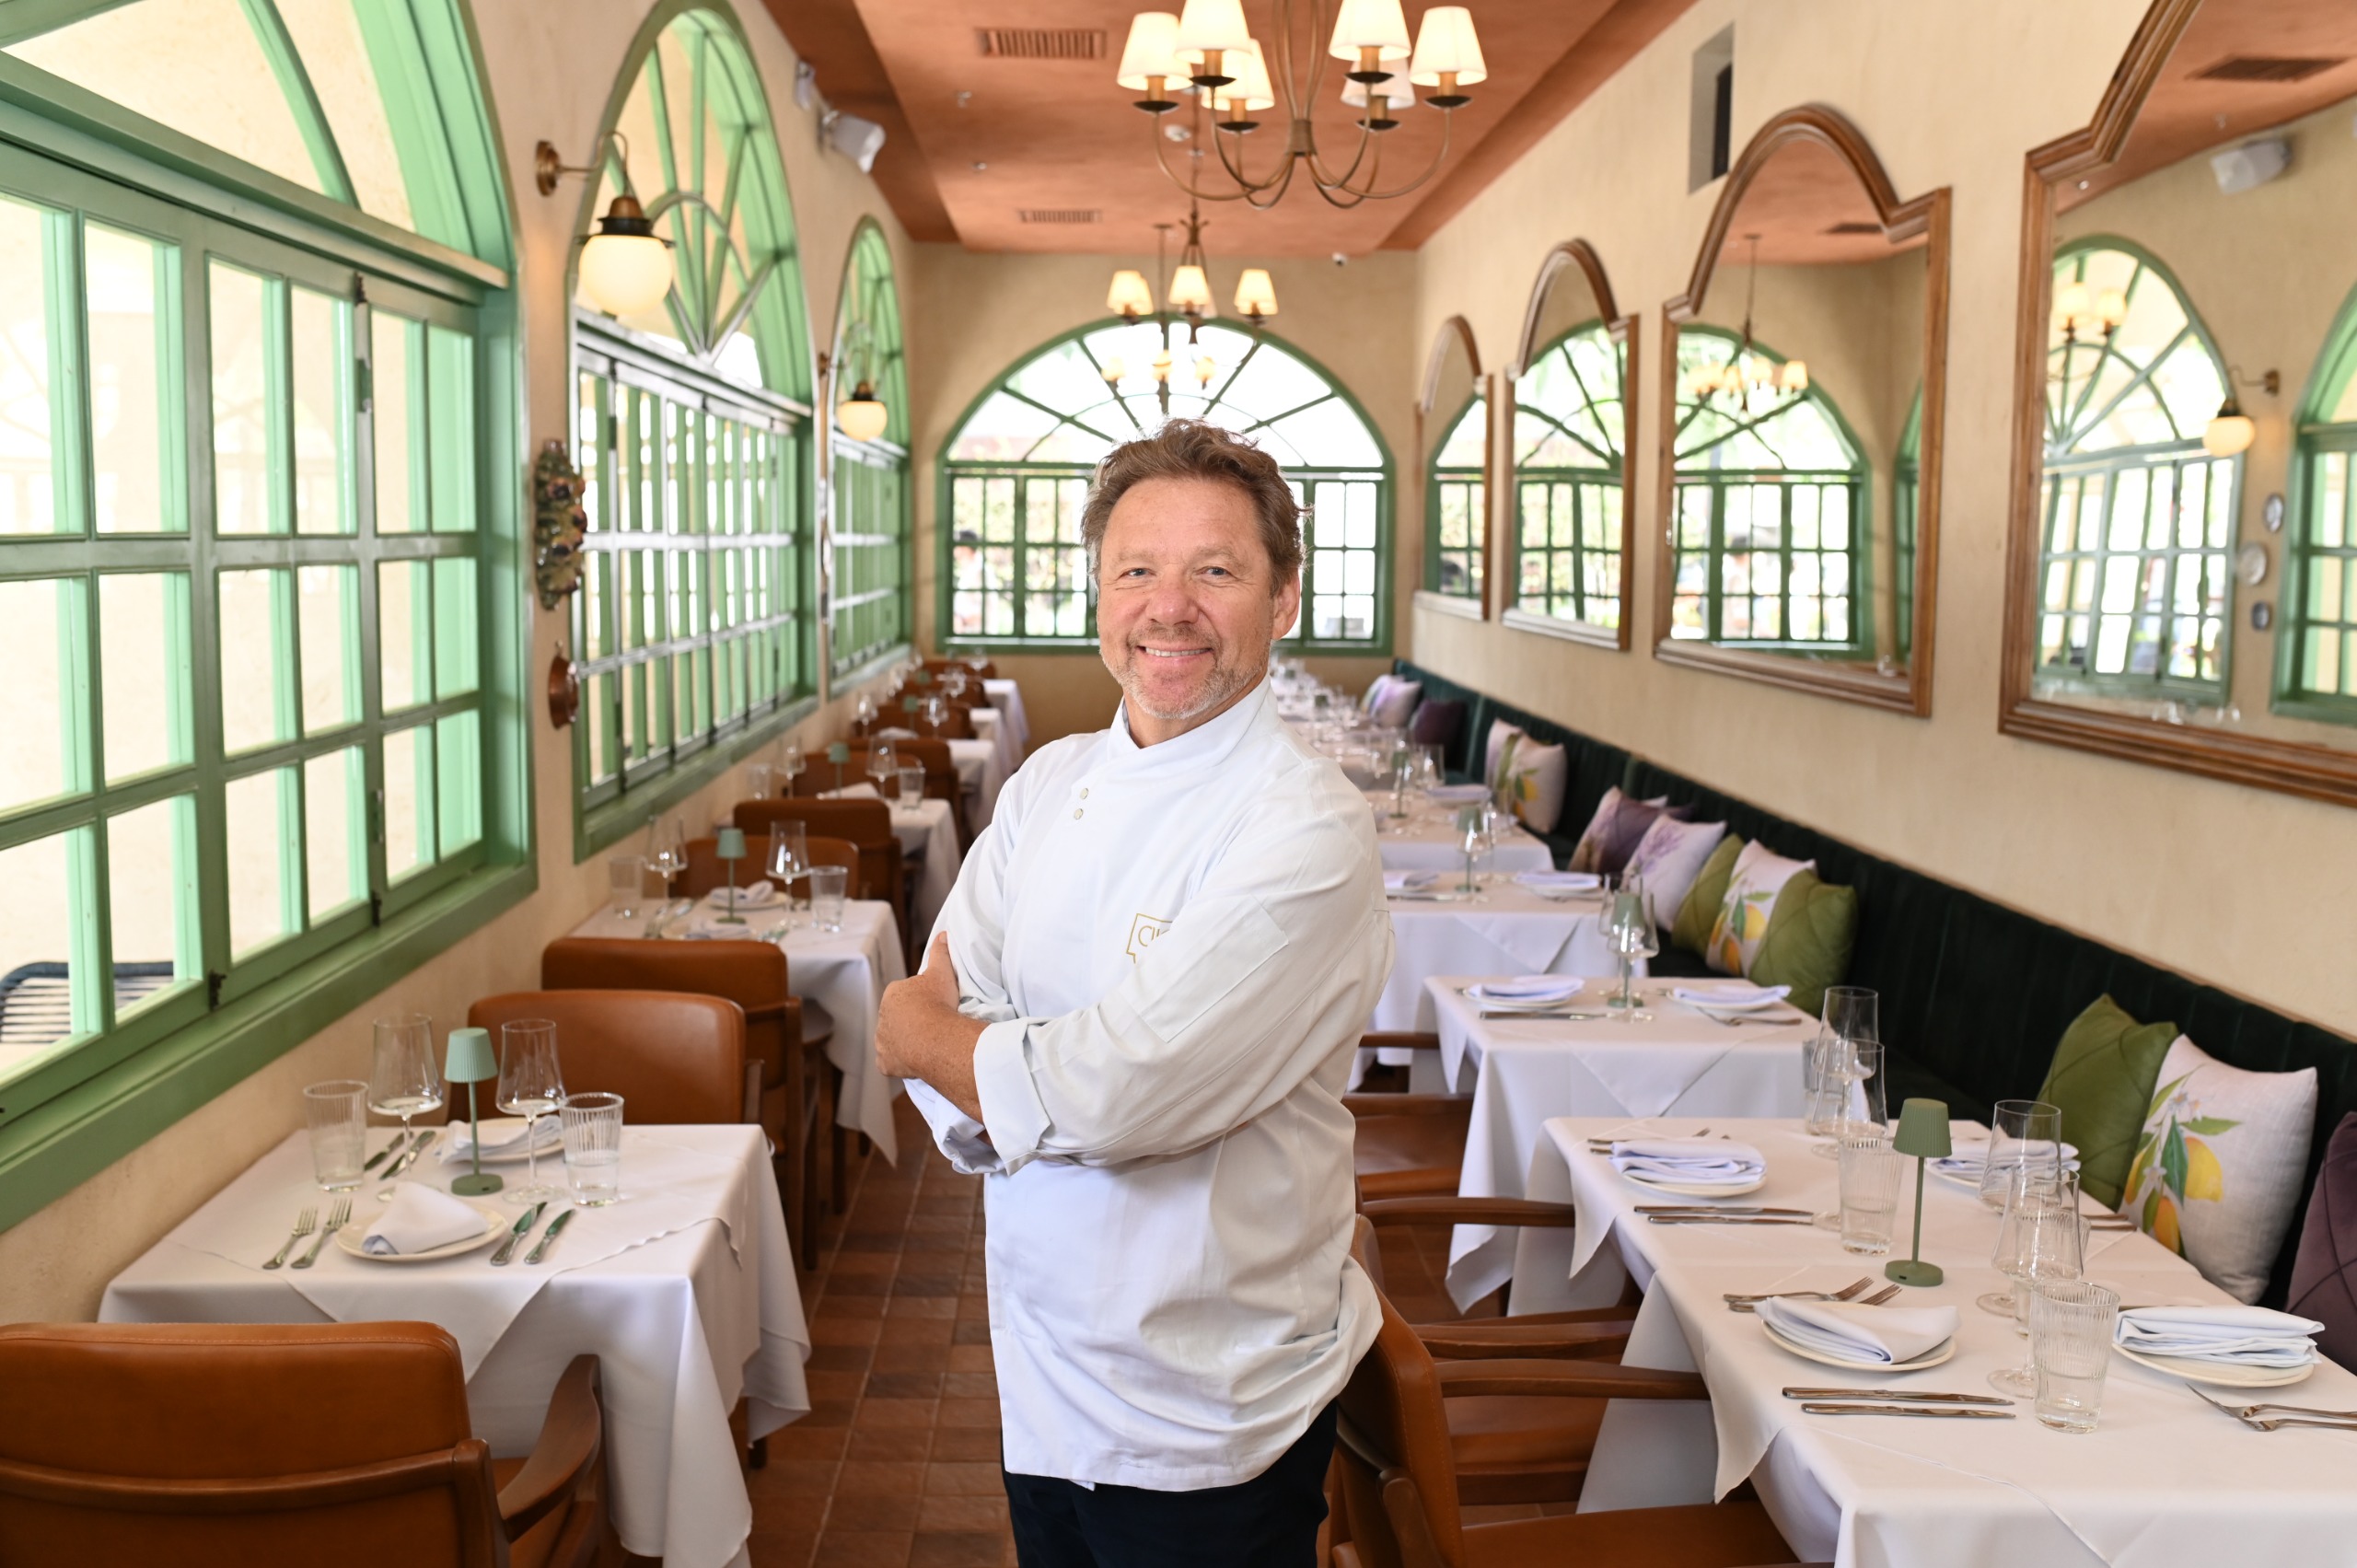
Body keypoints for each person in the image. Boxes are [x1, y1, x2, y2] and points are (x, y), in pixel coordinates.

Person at [876, 420, 1392, 1567]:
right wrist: (1004, 1068)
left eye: (1216, 569)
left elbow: (1112, 1087)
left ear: (1285, 596)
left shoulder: (1305, 825)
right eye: (1137, 570)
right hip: (1040, 1366)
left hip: (1215, 1406)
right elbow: (990, 1021)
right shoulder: (1049, 780)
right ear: (1099, 592)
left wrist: (928, 1036)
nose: (1171, 607)